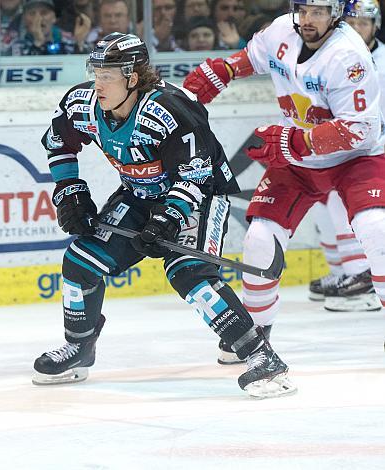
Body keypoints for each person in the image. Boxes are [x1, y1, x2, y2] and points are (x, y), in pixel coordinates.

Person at [32, 32, 296, 398]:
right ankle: (80, 348)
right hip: (139, 195)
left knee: (189, 274)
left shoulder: (170, 109)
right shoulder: (83, 104)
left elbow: (196, 173)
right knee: (80, 263)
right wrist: (70, 192)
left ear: (133, 77)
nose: (98, 83)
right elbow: (59, 143)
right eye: (96, 73)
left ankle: (261, 356)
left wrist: (168, 218)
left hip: (199, 195)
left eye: (107, 75)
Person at [183, 0, 385, 362]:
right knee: (260, 236)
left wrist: (292, 141)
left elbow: (362, 129)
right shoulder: (281, 31)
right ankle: (255, 332)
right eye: (303, 9)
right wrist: (218, 75)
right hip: (299, 157)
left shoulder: (348, 56)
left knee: (376, 228)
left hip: (356, 157)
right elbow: (249, 59)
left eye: (318, 12)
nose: (307, 20)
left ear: (336, 14)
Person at [306, 0, 385, 312]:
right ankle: (343, 272)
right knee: (324, 204)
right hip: (342, 142)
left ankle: (361, 279)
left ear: (375, 26)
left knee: (350, 206)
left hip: (372, 146)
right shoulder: (331, 55)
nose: (357, 29)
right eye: (351, 22)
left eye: (363, 23)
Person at [6, 0, 78, 55]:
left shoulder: (70, 43)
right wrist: (38, 43)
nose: (38, 18)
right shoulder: (15, 47)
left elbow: (88, 72)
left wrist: (80, 47)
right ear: (24, 19)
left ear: (54, 17)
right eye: (32, 13)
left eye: (44, 13)